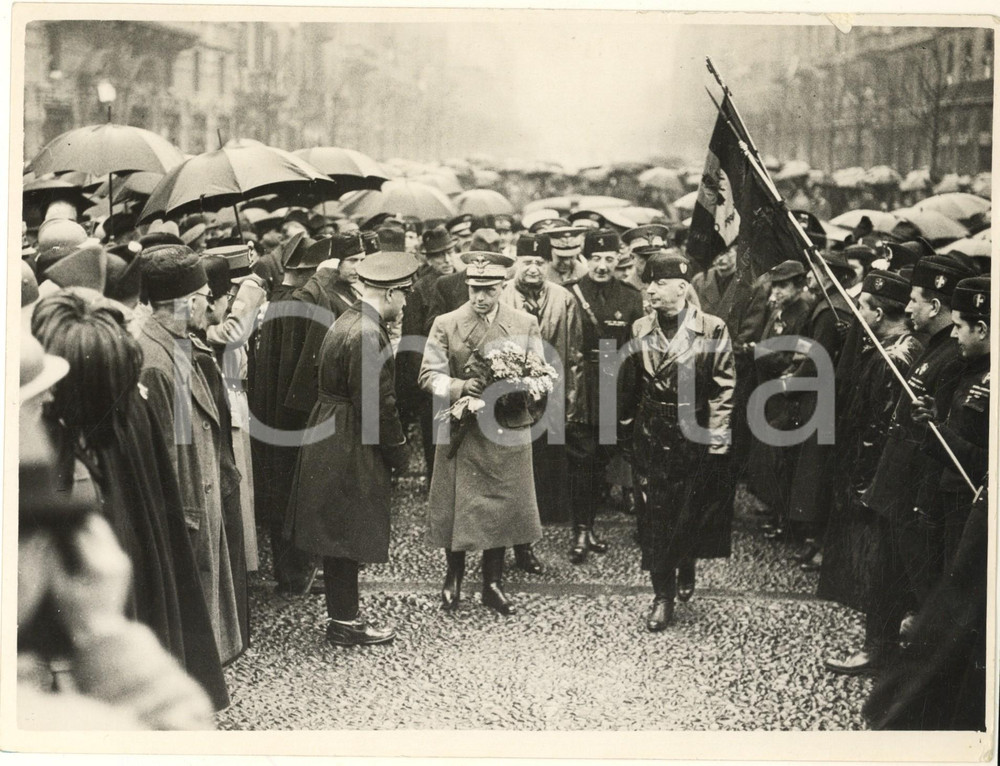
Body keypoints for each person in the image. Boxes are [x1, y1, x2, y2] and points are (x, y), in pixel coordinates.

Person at [827, 254, 976, 676]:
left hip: (918, 491)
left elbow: (941, 431)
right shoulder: (936, 347)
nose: (907, 308)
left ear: (934, 305)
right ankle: (882, 648)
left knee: (919, 579)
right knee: (887, 574)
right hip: (899, 484)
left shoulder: (953, 356)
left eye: (914, 300)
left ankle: (920, 667)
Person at [284, 251, 418, 646]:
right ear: (391, 293)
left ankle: (344, 616)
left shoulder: (349, 319)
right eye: (405, 295)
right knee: (344, 531)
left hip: (331, 431)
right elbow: (378, 405)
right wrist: (398, 451)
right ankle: (345, 622)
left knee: (337, 529)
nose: (407, 303)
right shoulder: (367, 333)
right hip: (349, 439)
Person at [420, 250, 544, 615]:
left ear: (503, 287)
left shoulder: (524, 323)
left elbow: (539, 374)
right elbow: (427, 375)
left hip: (506, 426)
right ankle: (453, 576)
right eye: (474, 288)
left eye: (488, 289)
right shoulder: (446, 322)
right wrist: (460, 386)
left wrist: (515, 388)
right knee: (458, 505)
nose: (479, 297)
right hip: (463, 427)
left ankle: (492, 582)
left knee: (501, 505)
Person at [137, 245, 243, 665]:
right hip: (187, 516)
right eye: (204, 296)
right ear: (188, 302)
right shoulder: (155, 363)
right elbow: (162, 456)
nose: (212, 307)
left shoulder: (179, 344)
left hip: (200, 505)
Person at [619, 252, 735, 630]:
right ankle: (662, 596)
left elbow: (723, 387)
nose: (650, 290)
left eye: (659, 283)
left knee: (689, 510)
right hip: (652, 431)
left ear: (683, 288)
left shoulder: (712, 328)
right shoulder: (640, 328)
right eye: (648, 282)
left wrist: (717, 439)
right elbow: (630, 383)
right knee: (653, 516)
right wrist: (624, 430)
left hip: (693, 432)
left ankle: (686, 561)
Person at [818, 270, 923, 621]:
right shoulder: (906, 348)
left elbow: (875, 429)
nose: (857, 314)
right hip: (882, 477)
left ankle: (876, 641)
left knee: (874, 562)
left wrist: (860, 484)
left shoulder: (889, 360)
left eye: (862, 307)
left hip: (872, 478)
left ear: (878, 314)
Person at [500, 232, 586, 570]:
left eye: (539, 262)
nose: (533, 268)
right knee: (513, 477)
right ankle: (517, 548)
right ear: (515, 262)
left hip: (550, 399)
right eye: (527, 262)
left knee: (543, 475)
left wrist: (570, 402)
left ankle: (531, 540)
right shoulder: (502, 296)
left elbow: (575, 354)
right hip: (511, 402)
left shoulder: (564, 298)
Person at [565, 229, 645, 564]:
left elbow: (638, 346)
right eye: (595, 258)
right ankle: (581, 529)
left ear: (619, 260)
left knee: (601, 459)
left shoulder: (630, 297)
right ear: (585, 259)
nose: (602, 265)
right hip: (581, 388)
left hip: (616, 386)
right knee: (581, 460)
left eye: (609, 259)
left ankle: (590, 525)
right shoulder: (571, 294)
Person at [746, 259, 814, 541]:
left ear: (799, 285)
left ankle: (785, 519)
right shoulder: (779, 309)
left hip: (784, 393)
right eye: (775, 285)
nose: (778, 291)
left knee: (783, 460)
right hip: (767, 390)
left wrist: (761, 352)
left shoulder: (803, 314)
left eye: (784, 285)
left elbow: (793, 358)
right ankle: (774, 509)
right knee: (769, 456)